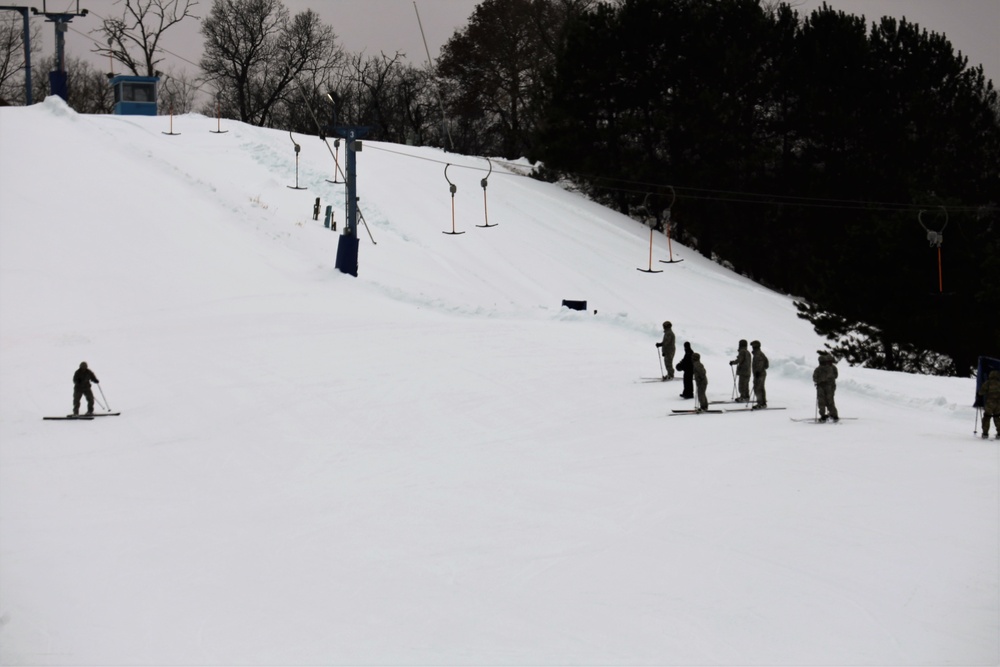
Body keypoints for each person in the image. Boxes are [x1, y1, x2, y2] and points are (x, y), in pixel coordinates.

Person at [813, 353, 839, 422]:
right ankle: (831, 415)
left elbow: (815, 378)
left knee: (826, 401)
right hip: (826, 387)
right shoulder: (828, 368)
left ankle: (827, 415)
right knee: (827, 401)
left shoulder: (828, 368)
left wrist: (820, 381)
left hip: (826, 387)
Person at [979, 370, 1000, 439]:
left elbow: (981, 392)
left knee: (987, 417)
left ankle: (985, 433)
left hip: (989, 403)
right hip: (998, 403)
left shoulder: (988, 383)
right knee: (997, 417)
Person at [750, 340, 768, 409]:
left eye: (753, 346)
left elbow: (761, 364)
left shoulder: (758, 354)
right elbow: (766, 364)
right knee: (760, 388)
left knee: (758, 388)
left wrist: (758, 371)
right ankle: (762, 402)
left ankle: (761, 403)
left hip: (759, 374)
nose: (752, 347)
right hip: (760, 373)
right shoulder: (759, 353)